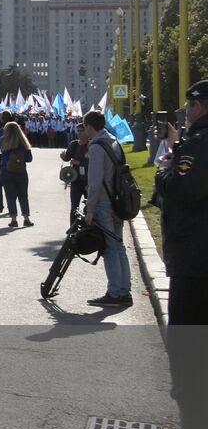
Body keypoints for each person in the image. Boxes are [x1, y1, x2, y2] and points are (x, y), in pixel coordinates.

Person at [154, 80, 208, 429]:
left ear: (200, 105)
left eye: (190, 104)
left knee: (187, 346)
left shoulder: (199, 143)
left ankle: (195, 428)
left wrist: (166, 170)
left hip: (195, 259)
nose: (186, 111)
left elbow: (184, 191)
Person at [83, 111, 132, 309]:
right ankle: (124, 290)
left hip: (103, 203)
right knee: (119, 247)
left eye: (84, 126)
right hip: (118, 201)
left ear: (89, 127)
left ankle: (114, 293)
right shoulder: (113, 141)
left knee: (109, 248)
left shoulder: (96, 147)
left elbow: (94, 183)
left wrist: (90, 209)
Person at [0, 121, 34, 229]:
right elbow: (29, 159)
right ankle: (26, 218)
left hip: (6, 171)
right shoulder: (23, 142)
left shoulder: (3, 140)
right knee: (23, 195)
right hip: (20, 171)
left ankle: (13, 219)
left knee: (10, 196)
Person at [60, 122, 90, 228]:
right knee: (74, 207)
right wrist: (63, 156)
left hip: (88, 181)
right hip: (76, 180)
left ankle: (88, 227)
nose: (79, 133)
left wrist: (79, 163)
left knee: (90, 206)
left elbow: (94, 162)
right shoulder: (74, 144)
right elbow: (67, 157)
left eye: (82, 131)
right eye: (78, 131)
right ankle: (73, 228)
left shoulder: (91, 145)